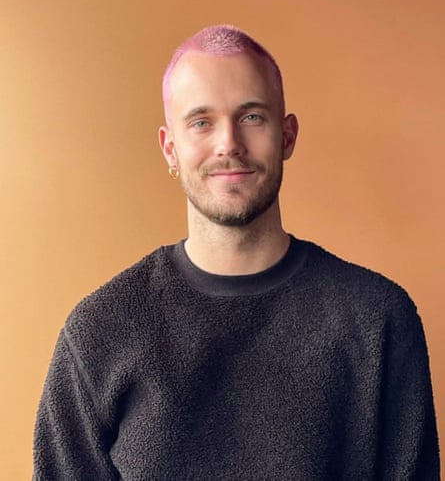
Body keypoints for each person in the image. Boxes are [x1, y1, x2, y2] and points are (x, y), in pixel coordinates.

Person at [33, 25, 440, 480]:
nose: (229, 143)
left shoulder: (378, 320)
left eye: (251, 117)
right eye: (201, 121)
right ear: (171, 149)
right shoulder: (98, 334)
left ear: (287, 136)